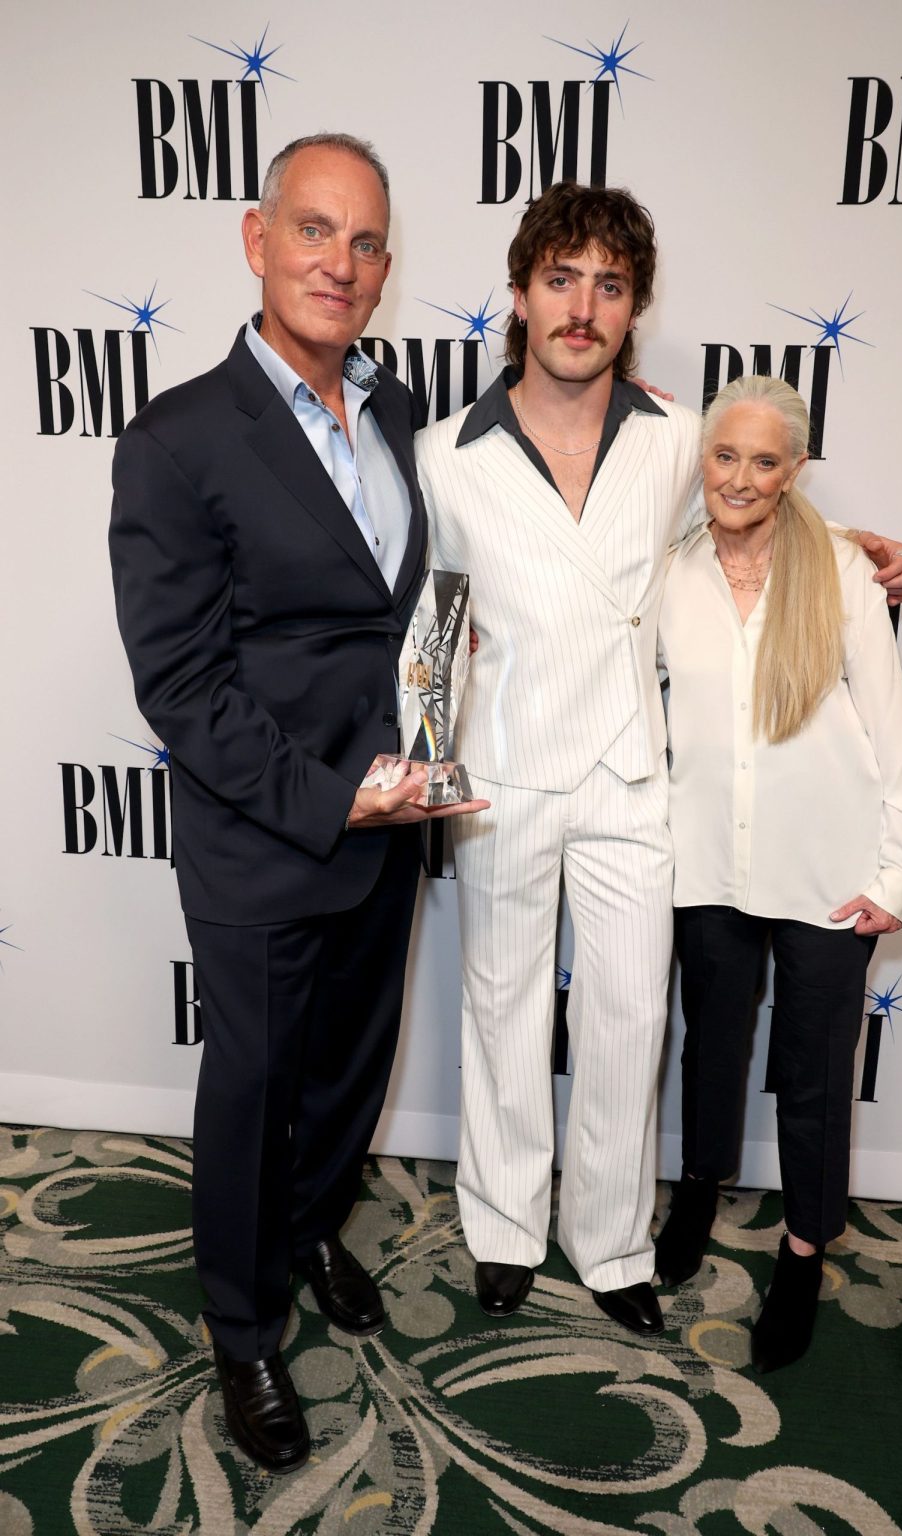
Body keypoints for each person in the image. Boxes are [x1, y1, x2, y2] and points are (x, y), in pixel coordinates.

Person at [415, 181, 902, 1338]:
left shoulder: (677, 436)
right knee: (500, 1008)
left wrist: (854, 548)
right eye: (561, 279)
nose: (582, 306)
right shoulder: (447, 454)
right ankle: (500, 1224)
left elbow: (759, 507)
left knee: (633, 1017)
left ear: (632, 305)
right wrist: (436, 769)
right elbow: (433, 626)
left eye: (609, 284)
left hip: (638, 773)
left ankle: (609, 1242)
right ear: (521, 291)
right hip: (503, 774)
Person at [108, 133, 484, 1474]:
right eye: (315, 230)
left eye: (367, 241)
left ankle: (318, 1223)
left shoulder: (388, 411)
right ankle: (243, 1330)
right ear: (256, 239)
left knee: (348, 1074)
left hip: (390, 831)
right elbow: (184, 688)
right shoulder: (177, 439)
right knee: (255, 1088)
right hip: (268, 836)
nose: (342, 261)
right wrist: (332, 800)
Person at [654, 374, 902, 1372]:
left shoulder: (842, 576)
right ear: (700, 456)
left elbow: (889, 728)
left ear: (793, 472)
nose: (737, 476)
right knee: (711, 1045)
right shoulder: (668, 571)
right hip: (707, 861)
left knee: (814, 1071)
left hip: (827, 867)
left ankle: (805, 1250)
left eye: (763, 460)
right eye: (723, 454)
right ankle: (694, 1192)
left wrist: (897, 874)